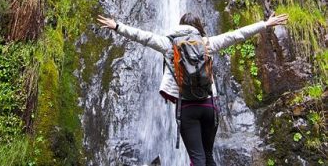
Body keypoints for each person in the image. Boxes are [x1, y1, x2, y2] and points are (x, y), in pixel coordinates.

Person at [97, 12, 288, 166]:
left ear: (180, 26)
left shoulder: (168, 44)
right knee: (208, 156)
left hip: (187, 109)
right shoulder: (206, 44)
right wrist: (265, 24)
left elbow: (143, 37)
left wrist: (118, 26)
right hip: (209, 107)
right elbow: (236, 35)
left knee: (197, 159)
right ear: (198, 28)